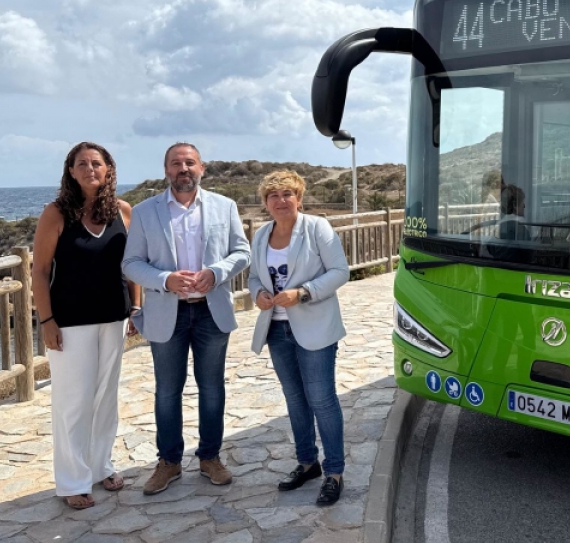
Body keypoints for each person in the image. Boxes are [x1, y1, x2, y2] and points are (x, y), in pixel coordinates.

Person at [122, 143, 251, 495]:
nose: (184, 168)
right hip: (167, 313)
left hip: (212, 311)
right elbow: (131, 263)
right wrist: (165, 279)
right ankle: (169, 462)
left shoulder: (225, 206)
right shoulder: (145, 212)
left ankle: (210, 457)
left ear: (202, 168)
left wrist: (217, 272)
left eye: (190, 162)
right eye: (176, 163)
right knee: (167, 391)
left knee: (212, 389)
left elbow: (242, 252)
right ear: (166, 170)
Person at [32, 142, 141, 510]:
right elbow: (39, 271)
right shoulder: (55, 213)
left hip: (114, 318)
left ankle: (101, 466)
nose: (90, 168)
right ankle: (72, 481)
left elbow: (132, 264)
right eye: (82, 163)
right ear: (71, 171)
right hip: (70, 322)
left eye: (97, 163)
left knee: (105, 397)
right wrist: (47, 320)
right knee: (73, 401)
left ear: (108, 169)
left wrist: (136, 307)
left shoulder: (123, 211)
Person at [247, 171, 350, 506]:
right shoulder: (261, 235)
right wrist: (258, 294)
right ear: (265, 203)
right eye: (273, 195)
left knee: (322, 399)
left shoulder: (317, 228)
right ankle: (307, 463)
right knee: (295, 399)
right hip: (277, 329)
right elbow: (253, 277)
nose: (281, 200)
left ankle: (334, 472)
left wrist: (303, 293)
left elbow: (340, 272)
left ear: (299, 198)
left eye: (287, 193)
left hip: (315, 327)